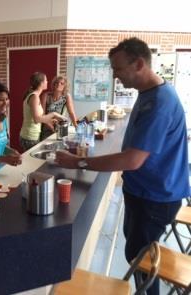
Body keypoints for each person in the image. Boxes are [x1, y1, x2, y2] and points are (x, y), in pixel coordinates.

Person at [55, 37, 189, 295]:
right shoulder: (149, 93)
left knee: (142, 261)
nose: (114, 75)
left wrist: (78, 161)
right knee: (138, 254)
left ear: (139, 63)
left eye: (117, 68)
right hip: (145, 192)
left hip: (155, 197)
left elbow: (132, 160)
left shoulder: (160, 103)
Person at [19, 72, 66, 151]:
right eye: (46, 80)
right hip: (30, 137)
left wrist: (50, 120)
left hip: (30, 136)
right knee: (33, 162)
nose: (47, 82)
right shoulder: (34, 97)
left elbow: (38, 117)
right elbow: (37, 119)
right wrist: (53, 114)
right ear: (41, 83)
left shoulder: (34, 95)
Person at [40, 75, 78, 140]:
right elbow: (42, 115)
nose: (58, 84)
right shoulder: (46, 95)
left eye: (62, 83)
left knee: (60, 147)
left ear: (65, 86)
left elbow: (71, 113)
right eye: (56, 82)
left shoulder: (66, 97)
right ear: (53, 84)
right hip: (47, 127)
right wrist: (50, 126)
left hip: (61, 127)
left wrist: (76, 127)